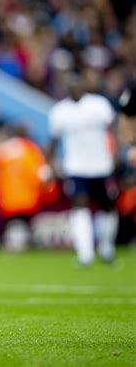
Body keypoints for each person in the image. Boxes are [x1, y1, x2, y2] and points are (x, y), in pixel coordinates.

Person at [46, 73, 119, 265]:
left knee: (109, 207)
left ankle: (106, 248)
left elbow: (114, 129)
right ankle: (85, 254)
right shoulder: (60, 111)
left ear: (83, 84)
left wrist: (116, 152)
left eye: (75, 83)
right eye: (68, 84)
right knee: (80, 206)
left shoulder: (98, 104)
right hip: (76, 167)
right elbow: (53, 141)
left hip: (102, 165)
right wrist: (49, 164)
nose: (72, 87)